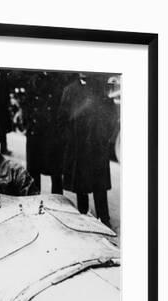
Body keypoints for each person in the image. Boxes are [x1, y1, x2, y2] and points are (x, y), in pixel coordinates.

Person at [59, 73, 114, 227]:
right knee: (80, 186)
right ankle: (83, 217)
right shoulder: (69, 90)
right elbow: (62, 118)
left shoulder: (99, 88)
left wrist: (104, 137)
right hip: (78, 146)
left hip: (96, 145)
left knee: (99, 186)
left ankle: (104, 219)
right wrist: (70, 139)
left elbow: (110, 114)